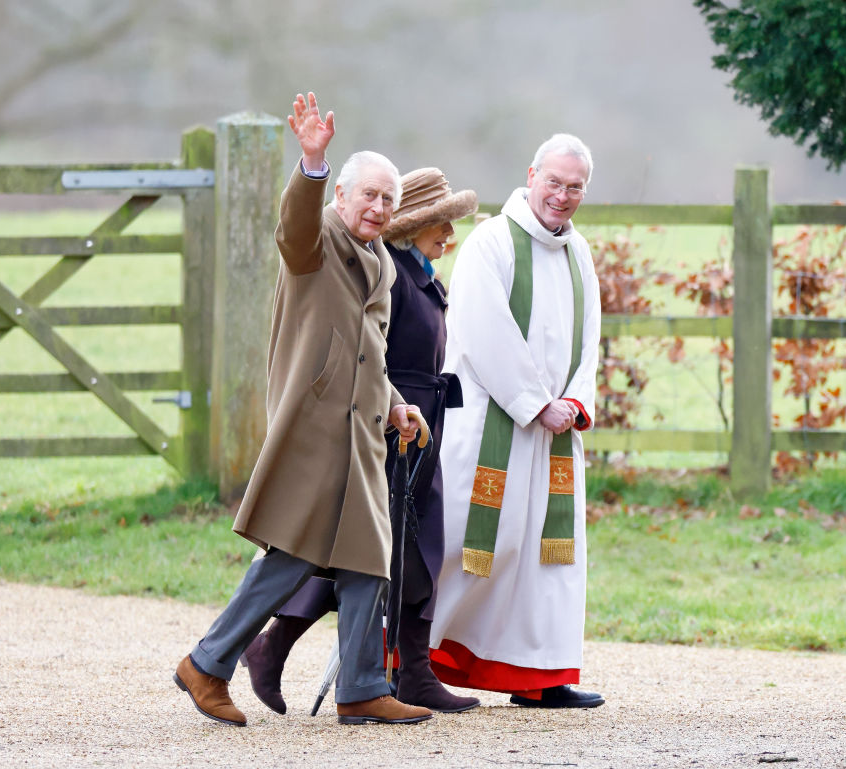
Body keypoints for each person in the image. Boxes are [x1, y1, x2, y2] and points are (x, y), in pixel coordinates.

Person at [173, 92, 432, 727]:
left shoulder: (382, 266)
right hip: (317, 435)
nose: (377, 207)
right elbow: (293, 225)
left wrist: (397, 406)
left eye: (387, 200)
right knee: (291, 556)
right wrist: (311, 163)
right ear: (341, 196)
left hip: (363, 439)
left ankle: (361, 687)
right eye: (367, 194)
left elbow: (366, 354)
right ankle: (207, 664)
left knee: (368, 559)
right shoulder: (313, 249)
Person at [241, 168, 482, 714]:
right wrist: (390, 410)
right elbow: (367, 354)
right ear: (412, 227)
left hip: (416, 424)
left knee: (390, 551)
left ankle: (300, 655)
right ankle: (378, 669)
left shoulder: (414, 273)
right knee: (367, 551)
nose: (449, 235)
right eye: (440, 225)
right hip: (387, 430)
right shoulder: (387, 272)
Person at [427, 134, 605, 709]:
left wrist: (575, 403)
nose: (563, 195)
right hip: (492, 428)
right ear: (532, 175)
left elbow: (590, 341)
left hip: (555, 435)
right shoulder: (491, 243)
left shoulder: (580, 254)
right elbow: (483, 333)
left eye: (575, 187)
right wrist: (535, 402)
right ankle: (414, 661)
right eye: (554, 182)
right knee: (472, 543)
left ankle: (540, 675)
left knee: (550, 553)